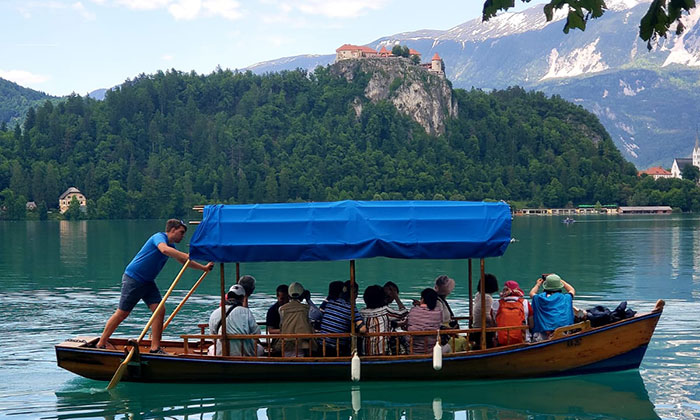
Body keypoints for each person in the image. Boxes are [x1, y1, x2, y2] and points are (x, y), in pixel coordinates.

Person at [96, 219, 213, 354]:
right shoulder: (159, 237)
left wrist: (203, 268)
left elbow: (183, 261)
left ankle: (155, 348)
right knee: (122, 313)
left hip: (148, 282)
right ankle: (101, 343)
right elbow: (164, 250)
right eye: (181, 232)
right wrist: (187, 255)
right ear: (173, 230)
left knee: (159, 310)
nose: (182, 236)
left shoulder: (172, 247)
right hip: (134, 278)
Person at [208, 284, 263, 356]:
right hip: (244, 353)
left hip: (222, 352)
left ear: (228, 297)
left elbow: (213, 337)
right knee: (261, 349)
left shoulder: (215, 312)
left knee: (211, 349)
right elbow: (257, 333)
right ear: (242, 299)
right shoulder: (246, 312)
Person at [318, 280, 366, 355]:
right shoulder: (351, 308)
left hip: (321, 344)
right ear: (354, 294)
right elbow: (363, 329)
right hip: (337, 348)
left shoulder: (330, 302)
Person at [360, 284, 408, 355]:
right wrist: (396, 297)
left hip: (365, 351)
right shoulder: (385, 311)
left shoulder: (362, 313)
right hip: (382, 351)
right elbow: (404, 313)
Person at [529, 273, 576, 341]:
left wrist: (538, 284)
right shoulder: (565, 298)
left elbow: (531, 293)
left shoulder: (539, 298)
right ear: (560, 286)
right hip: (563, 333)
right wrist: (560, 280)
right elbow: (571, 290)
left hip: (542, 336)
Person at [278, 282, 318, 357]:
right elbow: (318, 315)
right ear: (303, 295)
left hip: (287, 344)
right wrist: (308, 300)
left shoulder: (281, 309)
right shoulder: (307, 309)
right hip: (303, 345)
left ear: (289, 295)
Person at [493, 280, 533, 345]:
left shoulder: (496, 304)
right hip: (523, 341)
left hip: (501, 341)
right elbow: (531, 325)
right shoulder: (525, 303)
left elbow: (494, 323)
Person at [406, 288, 443, 354]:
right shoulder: (438, 312)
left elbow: (409, 324)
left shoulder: (413, 311)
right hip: (431, 350)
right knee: (447, 347)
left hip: (413, 350)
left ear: (422, 299)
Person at [471, 273, 499, 349]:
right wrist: (496, 323)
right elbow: (486, 316)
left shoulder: (478, 294)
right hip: (483, 330)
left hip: (475, 327)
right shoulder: (487, 298)